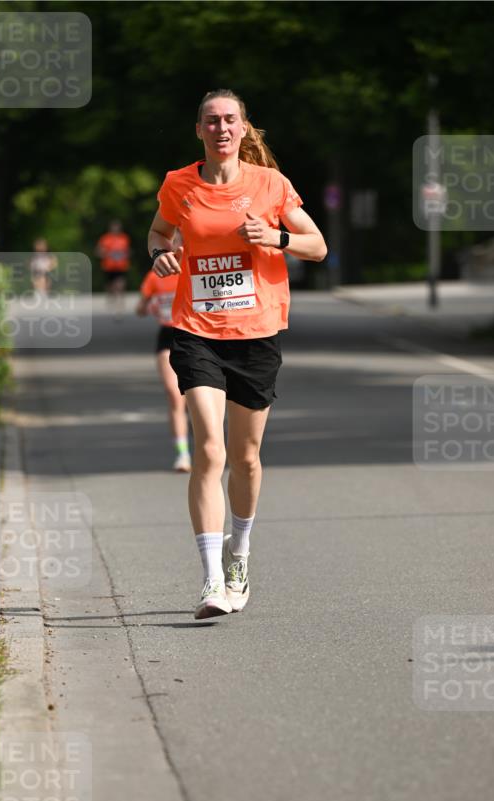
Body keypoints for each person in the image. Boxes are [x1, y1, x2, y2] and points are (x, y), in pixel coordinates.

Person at [148, 88, 326, 619]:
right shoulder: (179, 185)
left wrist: (275, 237)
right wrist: (160, 255)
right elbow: (159, 231)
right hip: (196, 330)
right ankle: (210, 581)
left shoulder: (270, 184)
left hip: (257, 333)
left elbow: (318, 246)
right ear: (199, 130)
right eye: (211, 120)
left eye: (230, 119)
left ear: (244, 128)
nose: (221, 128)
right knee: (210, 450)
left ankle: (239, 555)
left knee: (245, 457)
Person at [136, 261, 191, 472]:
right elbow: (140, 309)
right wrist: (149, 306)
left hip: (196, 336)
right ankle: (183, 454)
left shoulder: (194, 267)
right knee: (175, 394)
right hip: (167, 337)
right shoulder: (155, 275)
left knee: (197, 396)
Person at [96, 220, 130, 317]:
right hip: (109, 267)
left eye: (117, 227)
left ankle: (119, 306)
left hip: (121, 267)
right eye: (114, 227)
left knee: (120, 286)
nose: (116, 229)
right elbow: (99, 252)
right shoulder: (105, 239)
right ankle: (111, 299)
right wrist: (106, 254)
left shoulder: (124, 238)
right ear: (110, 228)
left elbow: (127, 251)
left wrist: (124, 255)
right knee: (110, 287)